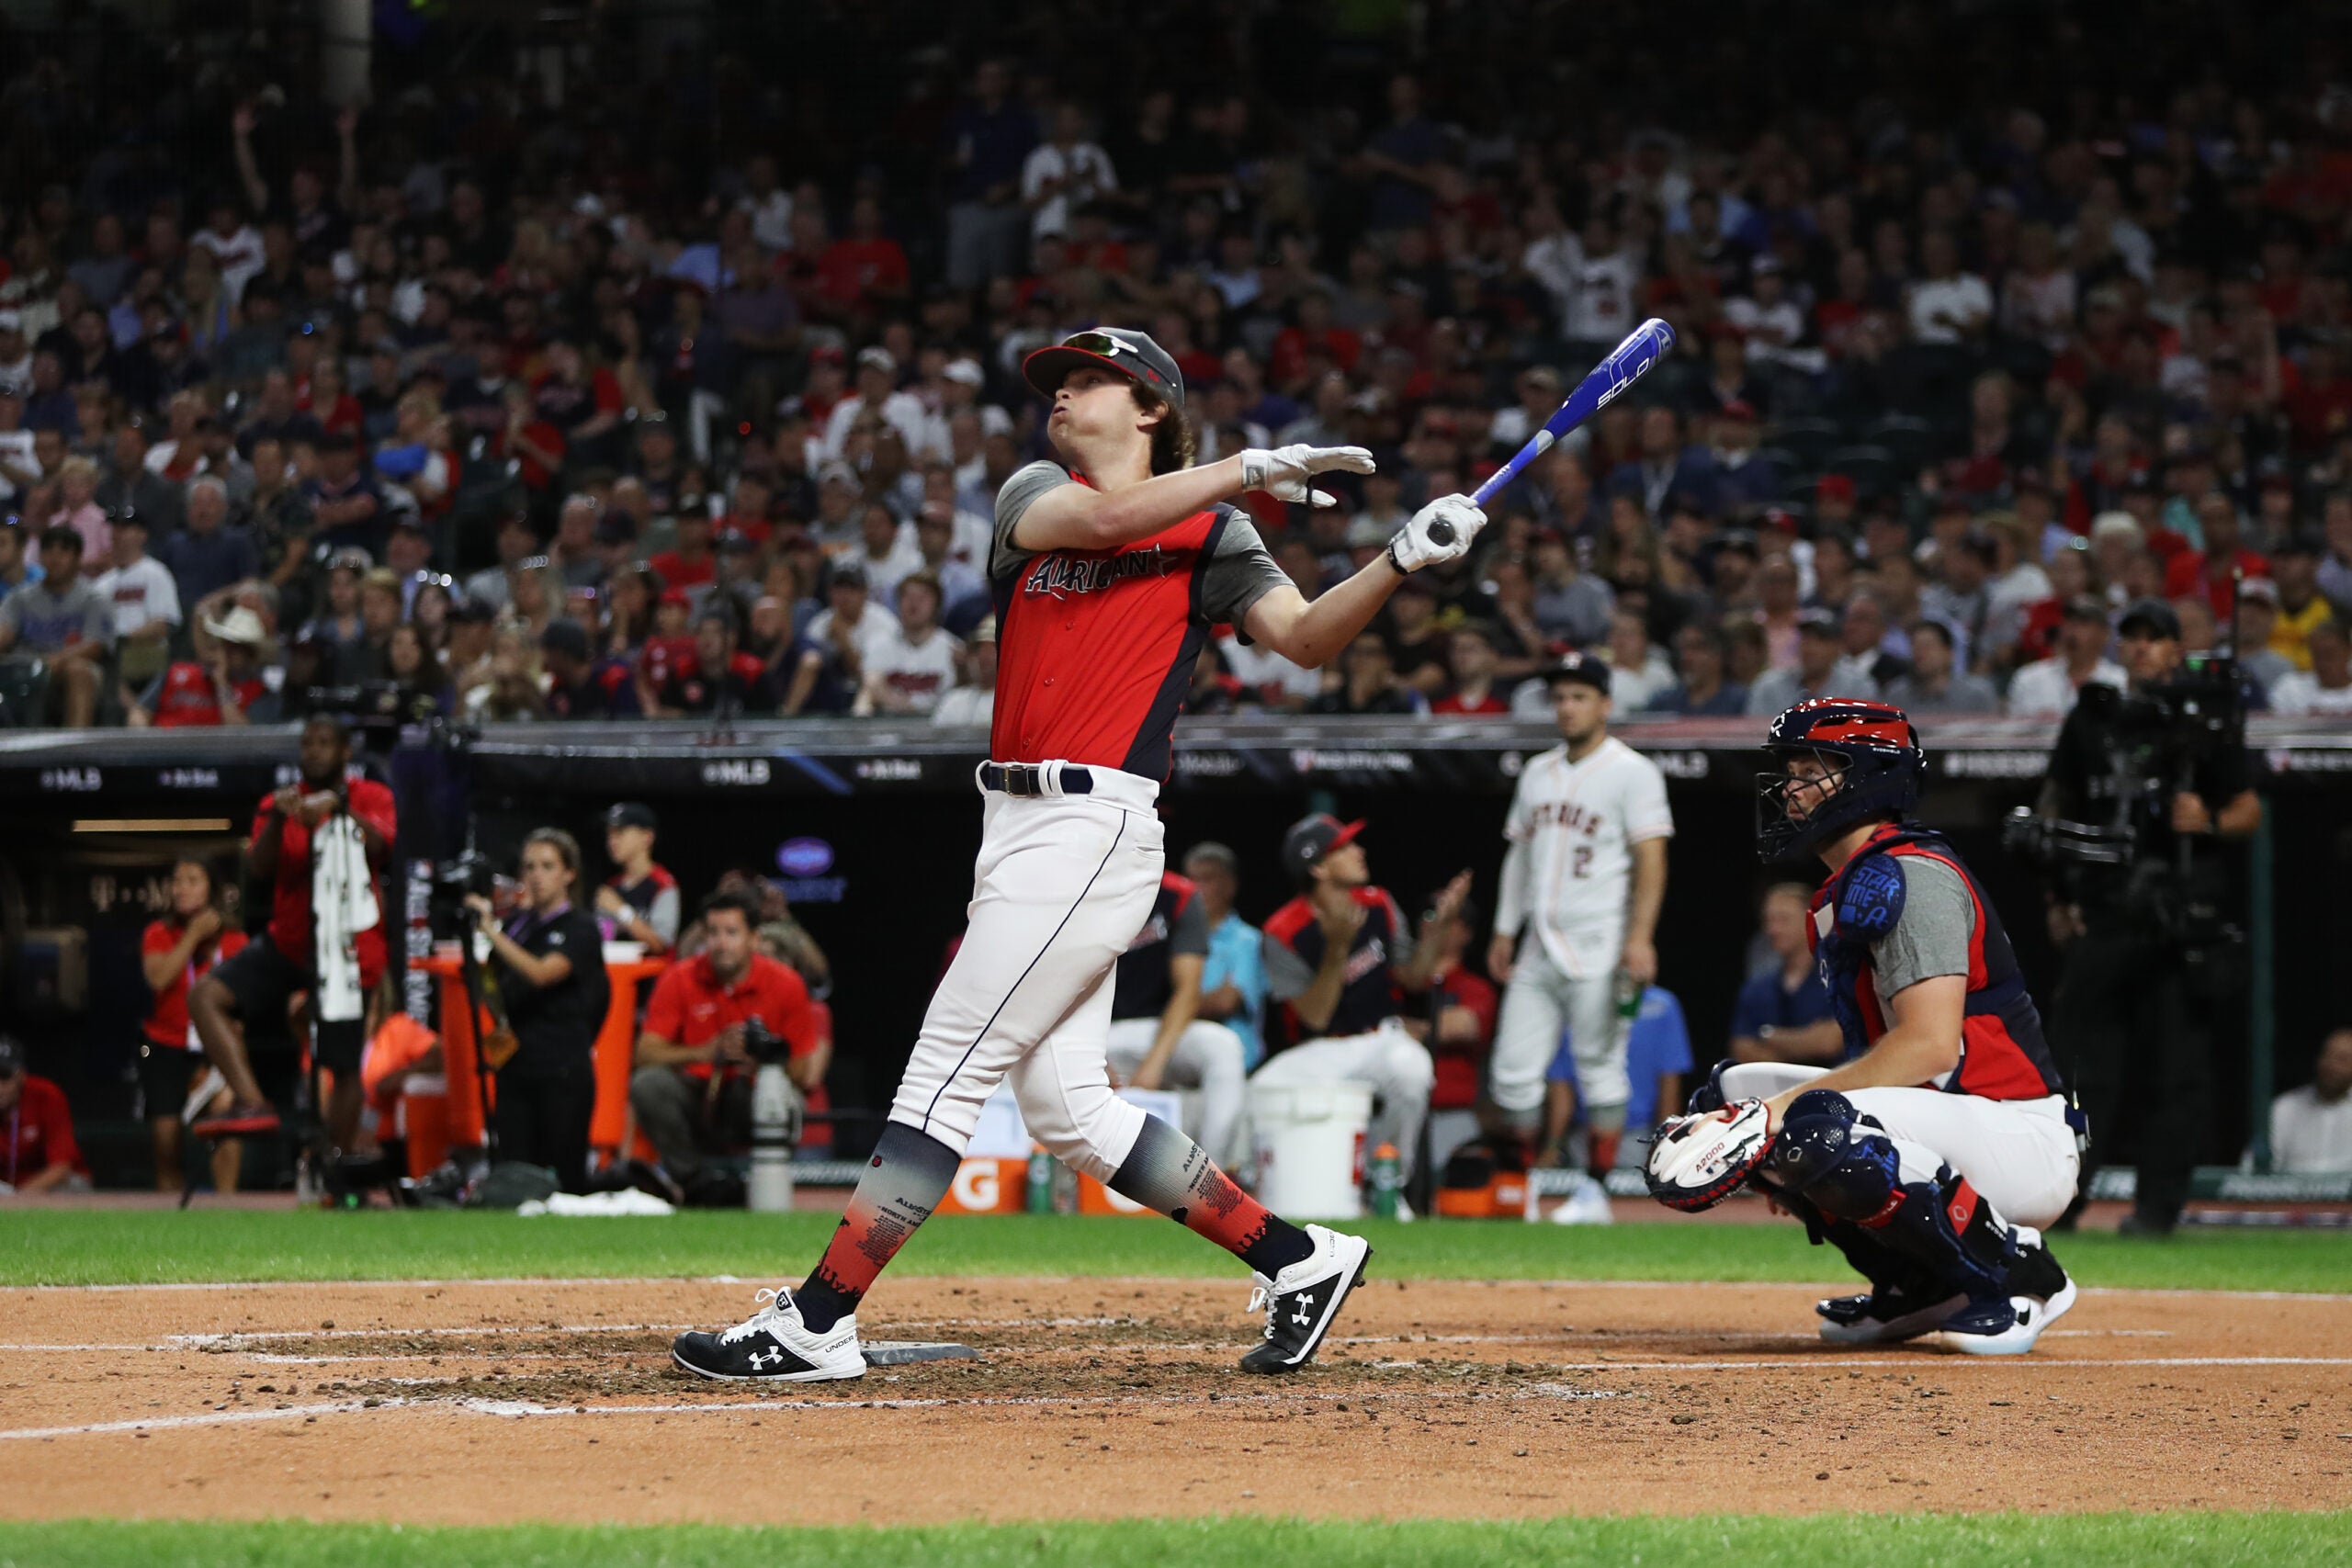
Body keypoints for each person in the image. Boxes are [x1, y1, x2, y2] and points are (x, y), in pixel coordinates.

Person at [671, 325, 1486, 1382]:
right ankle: (1298, 1258)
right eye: (1060, 380)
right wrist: (1243, 467)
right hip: (1010, 828)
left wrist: (1398, 560)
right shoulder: (1034, 495)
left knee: (944, 1072)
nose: (1064, 394)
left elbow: (1305, 637)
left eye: (1092, 379)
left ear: (1151, 408)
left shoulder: (1217, 535)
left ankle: (819, 1319)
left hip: (1090, 824)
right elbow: (1104, 518)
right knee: (1070, 1110)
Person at [1688, 696, 2080, 1354]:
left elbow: (1930, 1046)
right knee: (1728, 1098)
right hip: (1950, 1119)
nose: (1791, 788)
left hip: (2016, 1130)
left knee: (1801, 1120)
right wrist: (1769, 1125)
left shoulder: (1910, 876)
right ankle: (1919, 1282)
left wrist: (1783, 1117)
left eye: (1812, 769)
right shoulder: (1855, 883)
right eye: (1791, 770)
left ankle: (2018, 1272)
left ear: (1869, 776)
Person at [2038, 597, 2262, 1236]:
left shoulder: (2205, 720)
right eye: (2131, 637)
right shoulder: (2095, 716)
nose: (2142, 648)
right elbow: (2057, 806)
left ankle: (2158, 1211)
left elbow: (2249, 808)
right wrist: (2058, 898)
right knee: (2081, 1070)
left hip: (2178, 921)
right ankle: (2063, 1202)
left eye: (2154, 637)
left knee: (2177, 1072)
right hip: (2106, 917)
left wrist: (2210, 819)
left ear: (2174, 647)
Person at [1486, 653, 1673, 1202]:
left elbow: (1651, 861)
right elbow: (1517, 858)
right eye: (1561, 697)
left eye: (1580, 696)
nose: (1567, 707)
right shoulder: (1537, 771)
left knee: (1599, 1065)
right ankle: (1526, 1184)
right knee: (1513, 1074)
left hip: (1601, 943)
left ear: (1605, 704)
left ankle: (1596, 1189)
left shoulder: (1632, 771)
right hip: (1538, 944)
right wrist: (1502, 930)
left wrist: (1639, 938)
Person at [189, 715, 396, 1142]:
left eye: (324, 743)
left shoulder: (370, 794)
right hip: (290, 943)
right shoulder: (279, 802)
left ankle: (335, 1170)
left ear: (344, 751)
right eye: (307, 744)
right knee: (206, 996)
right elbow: (259, 869)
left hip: (347, 950)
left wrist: (338, 808)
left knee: (342, 1065)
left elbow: (381, 846)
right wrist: (283, 820)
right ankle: (252, 1100)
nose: (314, 751)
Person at [1257, 815, 1461, 1193]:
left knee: (1413, 1072)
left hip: (1379, 1038)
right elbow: (1315, 1017)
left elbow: (1412, 978)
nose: (1358, 851)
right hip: (1318, 1052)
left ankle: (1385, 1185)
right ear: (1317, 867)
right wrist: (1337, 948)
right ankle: (1249, 1187)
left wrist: (1436, 934)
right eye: (1344, 848)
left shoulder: (1379, 903)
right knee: (1256, 1092)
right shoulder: (1281, 931)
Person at [630, 889, 821, 1200]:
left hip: (754, 1095)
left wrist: (761, 1061)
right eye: (713, 933)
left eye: (732, 932)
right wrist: (707, 1051)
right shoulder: (681, 977)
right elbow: (644, 1053)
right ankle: (697, 1184)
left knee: (783, 1099)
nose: (721, 943)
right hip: (697, 1094)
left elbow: (803, 1073)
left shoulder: (785, 983)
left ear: (754, 939)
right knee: (648, 1084)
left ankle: (763, 1185)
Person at [463, 829, 609, 1190]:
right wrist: (498, 1030)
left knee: (565, 1178)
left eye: (547, 866)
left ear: (569, 874)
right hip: (516, 1065)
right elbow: (490, 981)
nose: (536, 876)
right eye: (529, 867)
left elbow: (543, 974)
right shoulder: (518, 924)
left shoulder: (581, 927)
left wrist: (491, 931)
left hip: (560, 1066)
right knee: (515, 1176)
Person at [1104, 869, 1249, 1168]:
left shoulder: (1177, 894)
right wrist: (1089, 1056)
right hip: (1094, 1033)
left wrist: (1153, 1064)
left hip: (1157, 1031)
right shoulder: (1078, 891)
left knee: (1224, 1046)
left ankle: (1212, 1174)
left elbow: (1188, 991)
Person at [137, 858, 247, 1193]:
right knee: (166, 1143)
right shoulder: (158, 934)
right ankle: (171, 1222)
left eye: (192, 880)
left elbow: (245, 1000)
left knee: (225, 1117)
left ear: (211, 888)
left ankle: (227, 1208)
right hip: (165, 1046)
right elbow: (159, 979)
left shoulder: (235, 940)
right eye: (177, 881)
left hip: (214, 1049)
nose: (181, 888)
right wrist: (192, 936)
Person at [1542, 982, 1692, 1223]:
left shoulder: (1661, 1006)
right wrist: (1552, 1148)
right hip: (1585, 1137)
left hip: (1639, 1139)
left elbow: (1669, 1083)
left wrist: (1667, 1147)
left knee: (1641, 1212)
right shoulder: (1576, 1003)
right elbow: (1562, 1086)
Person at [0, 525, 111, 727]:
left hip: (67, 668)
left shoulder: (93, 598)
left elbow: (94, 646)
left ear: (78, 558)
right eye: (49, 549)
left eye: (64, 550)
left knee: (78, 670)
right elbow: (4, 633)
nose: (55, 557)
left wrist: (50, 662)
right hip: (23, 669)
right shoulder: (20, 598)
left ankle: (75, 752)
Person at [1728, 883, 1844, 1065]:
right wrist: (1806, 1040)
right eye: (1769, 920)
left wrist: (1770, 1036)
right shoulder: (1757, 988)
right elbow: (1743, 1050)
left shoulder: (1839, 979)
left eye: (1783, 919)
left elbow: (1829, 1042)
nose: (1773, 930)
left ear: (1809, 921)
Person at [1182, 840, 1269, 1068]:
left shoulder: (1248, 940)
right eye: (1191, 879)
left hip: (1238, 1066)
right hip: (1186, 1064)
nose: (1196, 888)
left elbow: (1225, 1002)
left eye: (1207, 879)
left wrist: (1176, 1007)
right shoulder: (1175, 939)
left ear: (1230, 886)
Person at [2006, 596, 2124, 718]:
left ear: (2103, 634)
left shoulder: (2119, 682)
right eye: (2069, 622)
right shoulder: (2029, 679)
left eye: (2083, 623)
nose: (2073, 632)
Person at [0, 1034, 85, 1193]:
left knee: (72, 1187)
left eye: (4, 1077)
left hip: (48, 1184)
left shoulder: (46, 1095)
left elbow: (61, 1166)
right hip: (5, 1188)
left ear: (21, 1075)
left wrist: (19, 1200)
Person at [597, 802, 680, 954]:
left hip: (651, 975)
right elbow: (603, 940)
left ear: (647, 837)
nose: (612, 841)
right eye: (610, 834)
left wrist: (621, 911)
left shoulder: (663, 884)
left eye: (620, 832)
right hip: (617, 971)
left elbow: (660, 945)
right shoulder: (611, 887)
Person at [2270, 1028, 2352, 1175]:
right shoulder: (2286, 1106)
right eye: (2327, 1056)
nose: (2332, 1066)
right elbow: (2251, 1172)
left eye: (2342, 1059)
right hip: (2290, 1195)